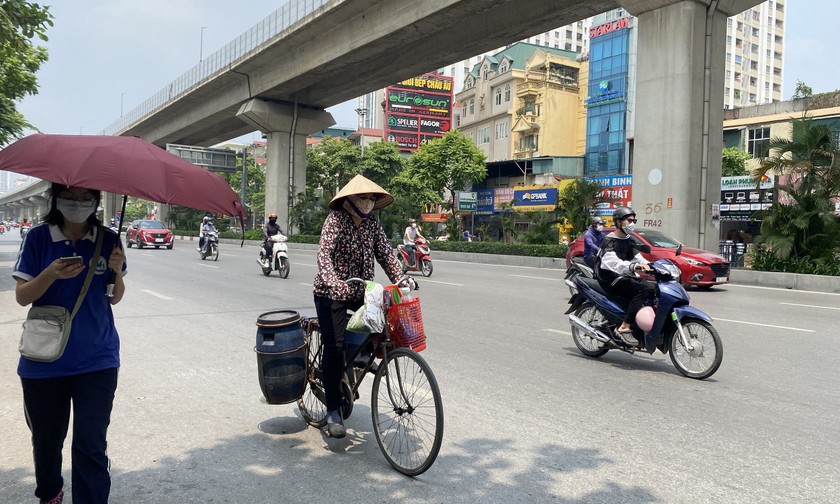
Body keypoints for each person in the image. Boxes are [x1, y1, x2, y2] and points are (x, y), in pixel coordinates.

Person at [12, 183, 127, 504]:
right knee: (47, 442)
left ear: (96, 201)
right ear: (56, 199)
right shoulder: (38, 238)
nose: (78, 203)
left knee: (91, 444)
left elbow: (114, 298)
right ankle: (50, 494)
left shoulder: (109, 239)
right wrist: (50, 274)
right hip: (44, 361)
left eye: (86, 198)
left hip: (98, 360)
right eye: (70, 197)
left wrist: (117, 272)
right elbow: (23, 297)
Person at [313, 174, 410, 439]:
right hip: (331, 292)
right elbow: (324, 255)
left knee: (381, 322)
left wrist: (401, 278)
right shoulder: (336, 221)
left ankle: (359, 358)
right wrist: (334, 283)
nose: (369, 202)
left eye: (372, 198)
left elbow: (386, 255)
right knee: (335, 347)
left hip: (360, 290)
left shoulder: (372, 225)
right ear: (351, 200)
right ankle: (333, 410)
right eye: (365, 198)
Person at [594, 206, 653, 347]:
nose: (632, 223)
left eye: (634, 220)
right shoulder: (609, 240)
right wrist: (632, 267)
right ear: (619, 222)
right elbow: (613, 263)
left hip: (624, 275)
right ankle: (625, 326)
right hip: (609, 278)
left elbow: (638, 257)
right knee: (643, 289)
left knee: (655, 288)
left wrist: (652, 266)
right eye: (629, 220)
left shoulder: (628, 239)